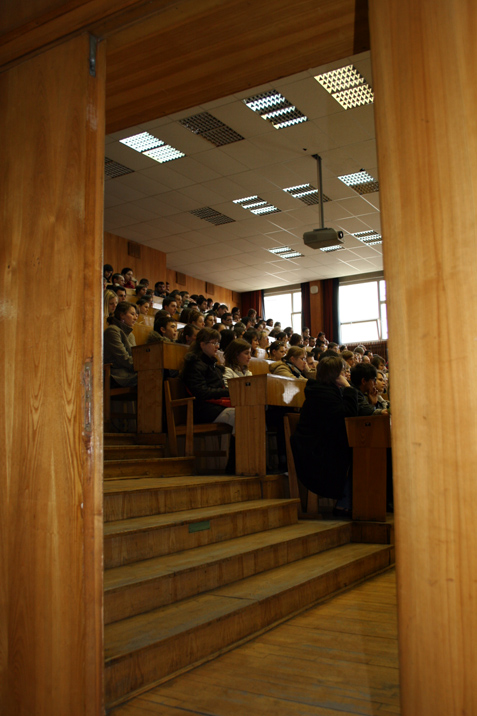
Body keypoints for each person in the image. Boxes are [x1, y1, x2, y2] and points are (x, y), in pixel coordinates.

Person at [290, 355, 359, 516]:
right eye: (343, 372)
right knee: (361, 453)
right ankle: (346, 503)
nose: (346, 375)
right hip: (315, 452)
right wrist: (348, 388)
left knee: (363, 450)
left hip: (323, 445)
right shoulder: (322, 393)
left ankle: (349, 502)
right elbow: (348, 414)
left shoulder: (325, 390)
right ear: (335, 375)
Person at [181, 327, 236, 471]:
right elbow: (201, 392)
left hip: (214, 407)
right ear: (202, 344)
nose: (217, 347)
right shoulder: (194, 365)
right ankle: (235, 464)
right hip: (202, 409)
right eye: (213, 343)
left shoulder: (213, 365)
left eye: (218, 343)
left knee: (250, 412)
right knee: (239, 415)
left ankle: (246, 461)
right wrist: (227, 392)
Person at [103, 301, 138, 386]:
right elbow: (123, 358)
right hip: (116, 374)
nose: (135, 318)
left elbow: (135, 355)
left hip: (129, 371)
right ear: (122, 315)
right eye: (132, 314)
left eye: (136, 315)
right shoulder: (112, 331)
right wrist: (142, 365)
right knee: (151, 375)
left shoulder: (131, 335)